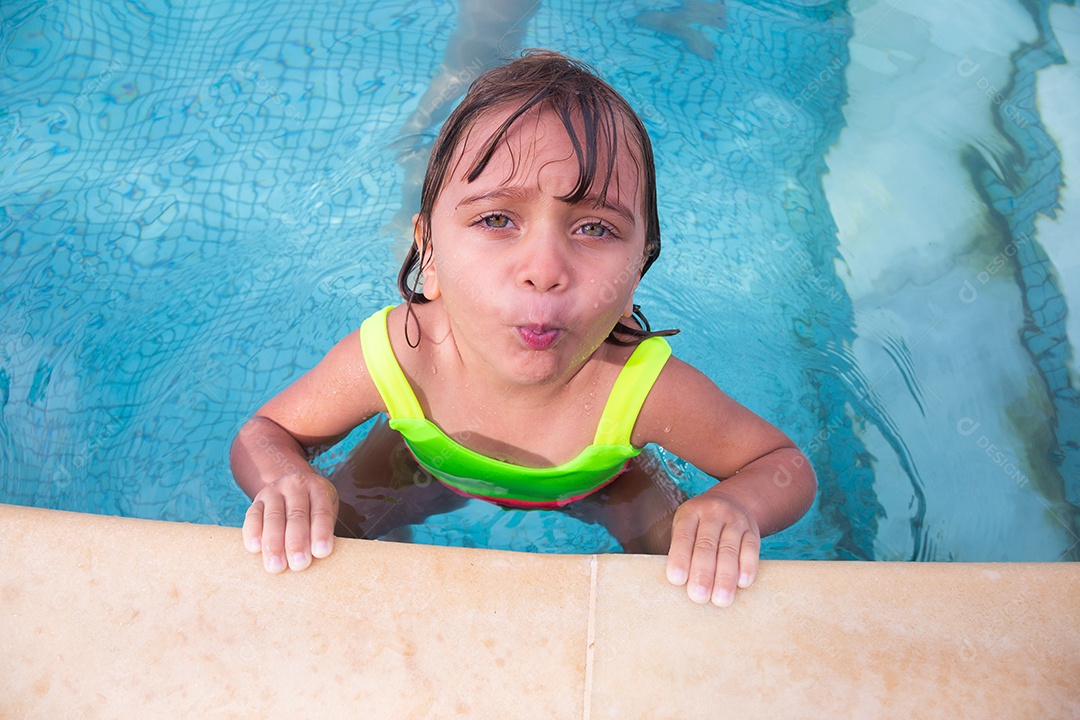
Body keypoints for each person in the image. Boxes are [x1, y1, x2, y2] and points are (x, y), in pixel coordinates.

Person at [231, 50, 817, 607]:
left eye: (594, 229)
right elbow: (267, 431)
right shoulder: (401, 357)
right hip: (411, 466)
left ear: (636, 275)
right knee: (320, 550)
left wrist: (733, 506)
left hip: (607, 485)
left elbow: (780, 465)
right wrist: (287, 481)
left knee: (687, 575)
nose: (544, 270)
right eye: (496, 219)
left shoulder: (640, 390)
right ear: (428, 255)